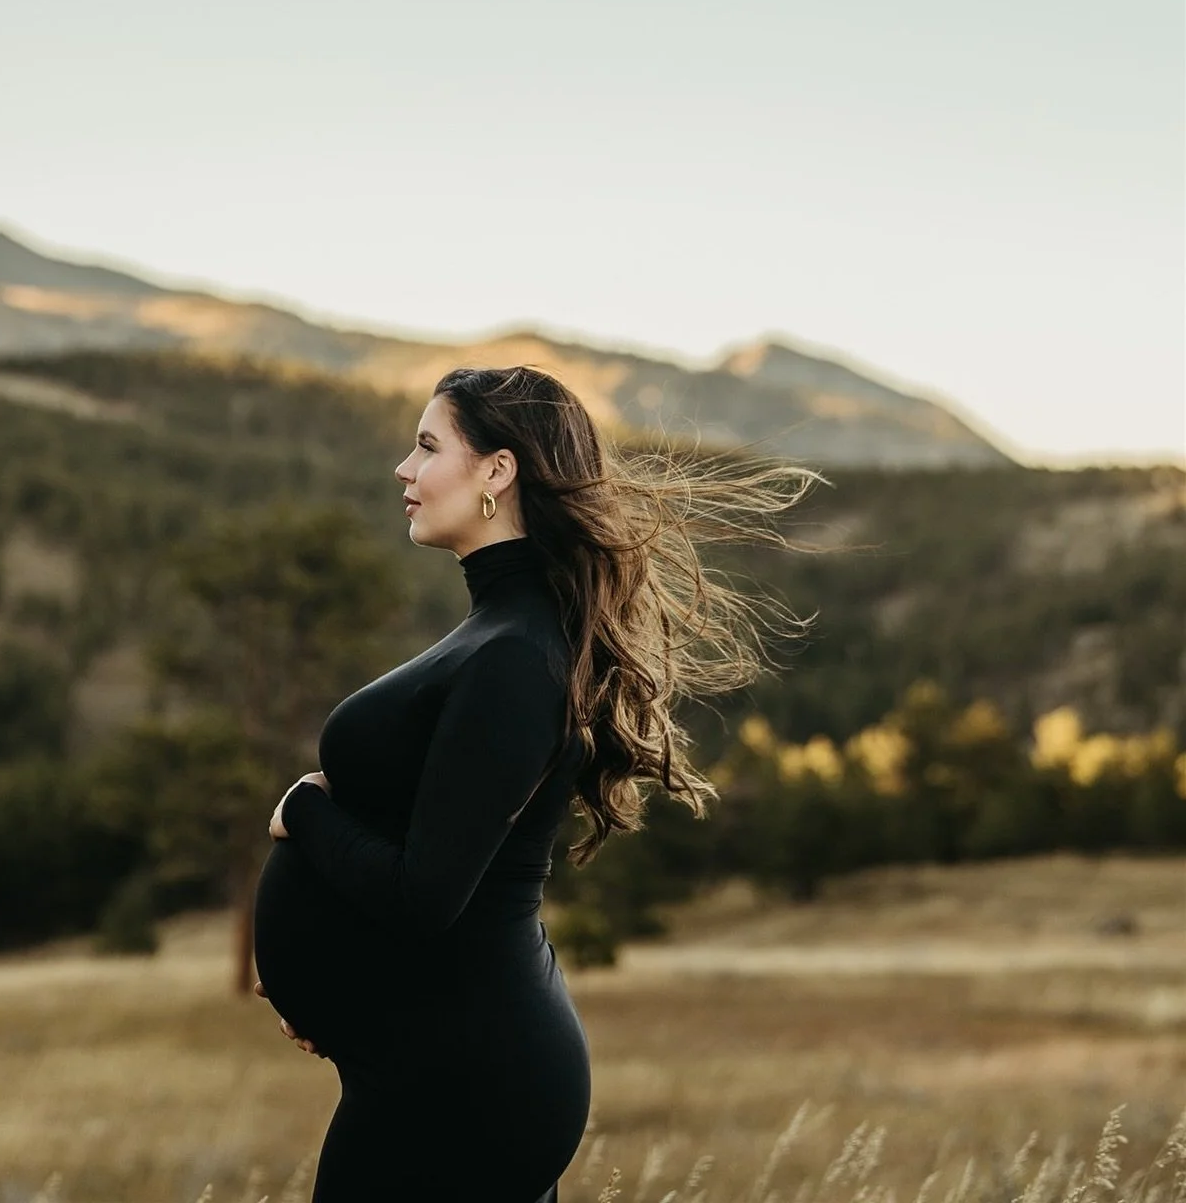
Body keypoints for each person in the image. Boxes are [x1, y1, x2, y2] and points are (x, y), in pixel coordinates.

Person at [251, 363, 816, 1203]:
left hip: (462, 1084)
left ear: (497, 471)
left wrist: (305, 811)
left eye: (426, 445)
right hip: (431, 1060)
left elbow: (426, 896)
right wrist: (347, 999)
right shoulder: (500, 634)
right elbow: (441, 861)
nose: (404, 471)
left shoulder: (515, 657)